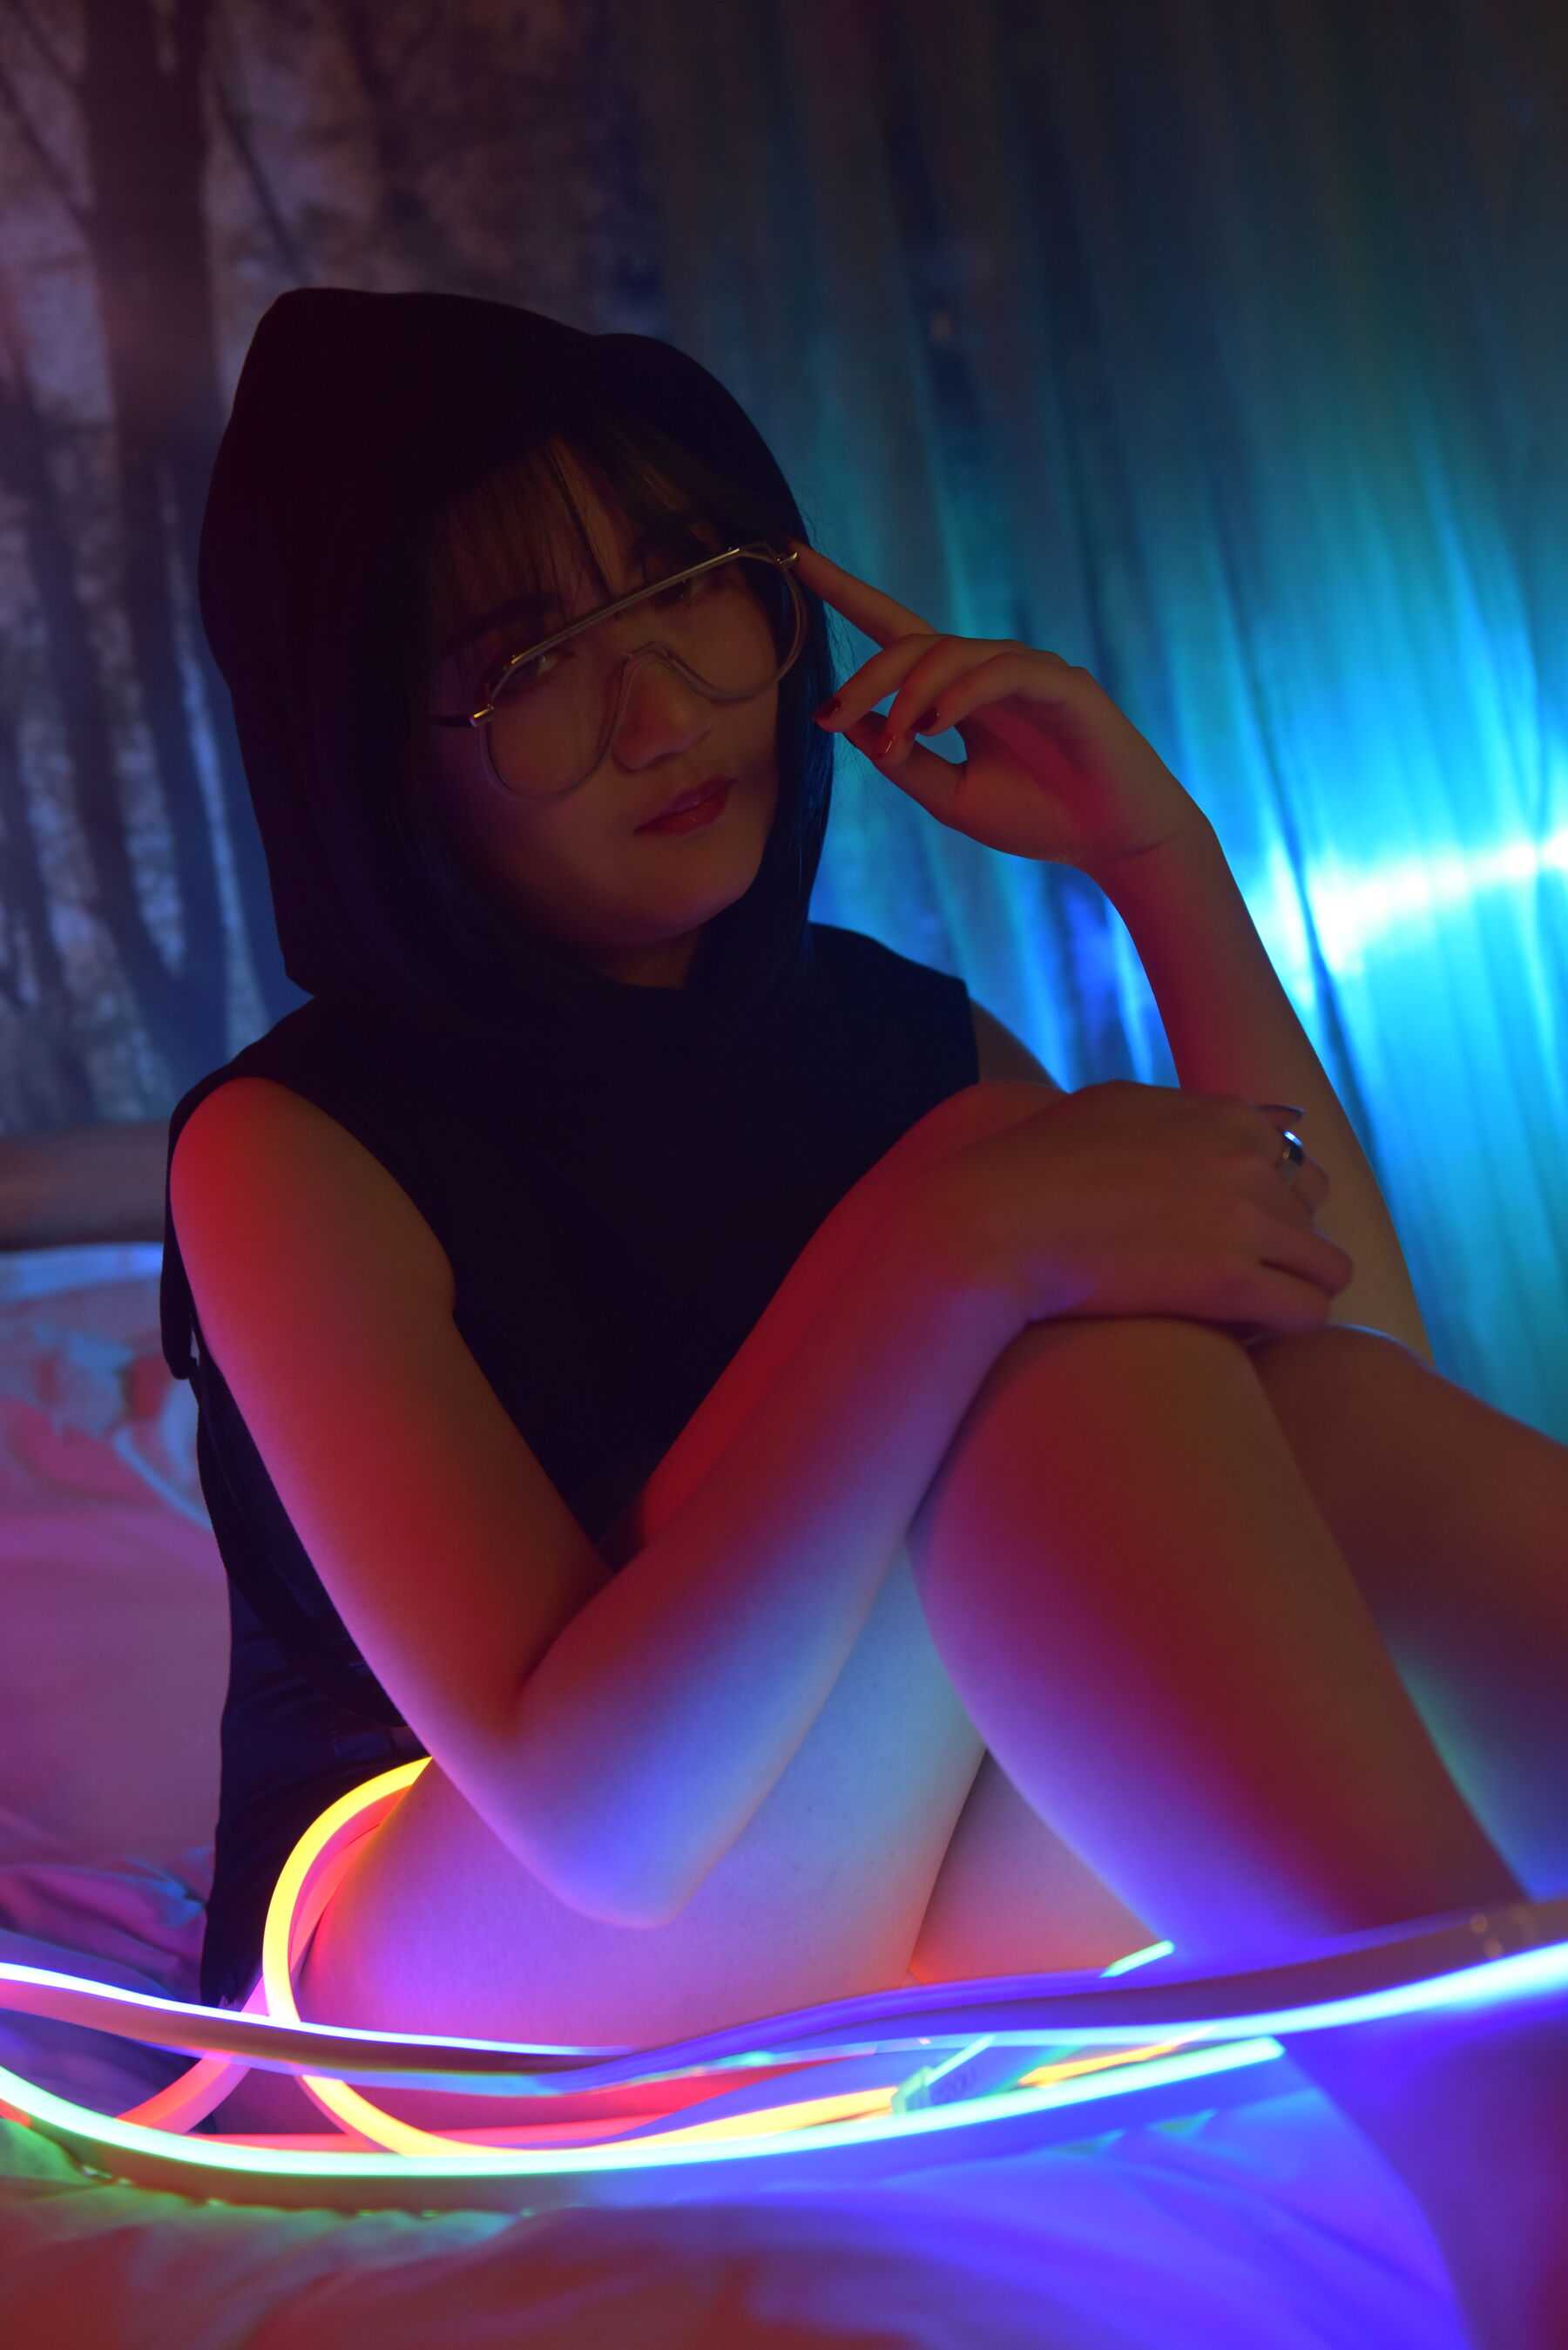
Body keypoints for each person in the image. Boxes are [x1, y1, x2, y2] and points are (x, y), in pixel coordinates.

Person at [163, 288, 1565, 2340]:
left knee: (1186, 1384)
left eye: (688, 589)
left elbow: (1330, 1425)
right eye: (531, 663)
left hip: (870, 1884)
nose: (662, 708)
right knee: (1046, 1336)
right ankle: (1516, 2136)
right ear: (380, 753)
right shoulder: (288, 1146)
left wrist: (1156, 861)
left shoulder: (906, 1048)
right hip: (462, 1966)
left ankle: (1517, 2084)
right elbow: (607, 1822)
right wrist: (945, 1242)